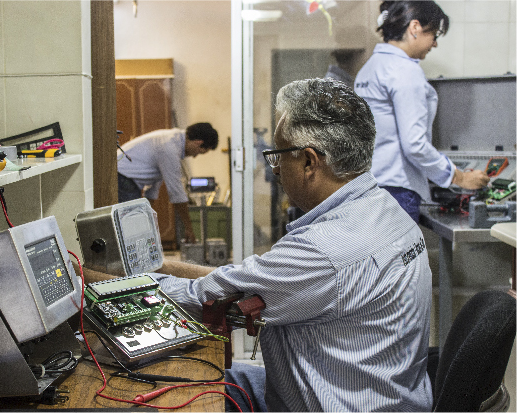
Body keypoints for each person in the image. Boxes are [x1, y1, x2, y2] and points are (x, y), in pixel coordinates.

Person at [88, 78, 434, 411]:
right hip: (380, 393)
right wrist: (162, 265)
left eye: (279, 156)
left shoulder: (326, 249)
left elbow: (204, 298)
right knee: (221, 379)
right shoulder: (389, 213)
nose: (277, 170)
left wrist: (89, 282)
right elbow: (250, 279)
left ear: (310, 161)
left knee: (171, 389)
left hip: (337, 402)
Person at [354, 1, 490, 223]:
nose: (434, 44)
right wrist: (460, 177)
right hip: (396, 191)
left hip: (367, 187)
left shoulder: (369, 69)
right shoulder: (405, 71)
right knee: (399, 258)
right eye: (434, 35)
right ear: (415, 27)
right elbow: (414, 144)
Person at [117, 123, 218, 244]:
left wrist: (149, 220)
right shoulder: (169, 147)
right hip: (123, 178)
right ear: (198, 142)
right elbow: (177, 193)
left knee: (137, 229)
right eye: (199, 152)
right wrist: (189, 229)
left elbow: (153, 189)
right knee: (133, 232)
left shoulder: (170, 140)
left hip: (124, 178)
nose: (195, 156)